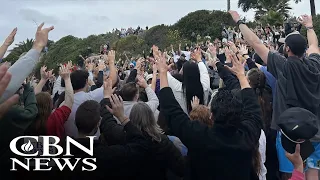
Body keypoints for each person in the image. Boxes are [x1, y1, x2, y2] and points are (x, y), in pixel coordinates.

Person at [230, 10, 320, 179]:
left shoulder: (283, 66)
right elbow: (314, 45)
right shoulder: (316, 64)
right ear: (305, 50)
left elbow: (255, 43)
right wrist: (309, 28)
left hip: (290, 134)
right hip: (316, 132)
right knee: (314, 173)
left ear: (287, 48)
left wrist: (239, 21)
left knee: (291, 174)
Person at [157, 47, 263, 179]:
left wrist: (162, 72)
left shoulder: (199, 137)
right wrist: (241, 76)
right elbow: (253, 107)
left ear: (211, 115)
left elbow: (172, 110)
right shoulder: (248, 135)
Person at [70, 86, 149, 179]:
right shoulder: (108, 154)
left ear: (75, 121)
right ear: (98, 123)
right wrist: (122, 117)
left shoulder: (60, 149)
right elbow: (141, 146)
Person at [64, 51, 117, 138]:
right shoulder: (91, 97)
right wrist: (111, 62)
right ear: (86, 82)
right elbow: (112, 81)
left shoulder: (63, 104)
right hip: (93, 146)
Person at [26, 64, 74, 139]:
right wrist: (67, 78)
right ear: (50, 105)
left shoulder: (27, 119)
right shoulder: (55, 119)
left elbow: (32, 99)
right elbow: (69, 101)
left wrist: (43, 80)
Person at [166, 48, 210, 114]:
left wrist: (158, 59)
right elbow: (204, 72)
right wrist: (199, 59)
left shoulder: (178, 89)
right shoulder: (205, 87)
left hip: (184, 122)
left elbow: (165, 75)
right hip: (203, 121)